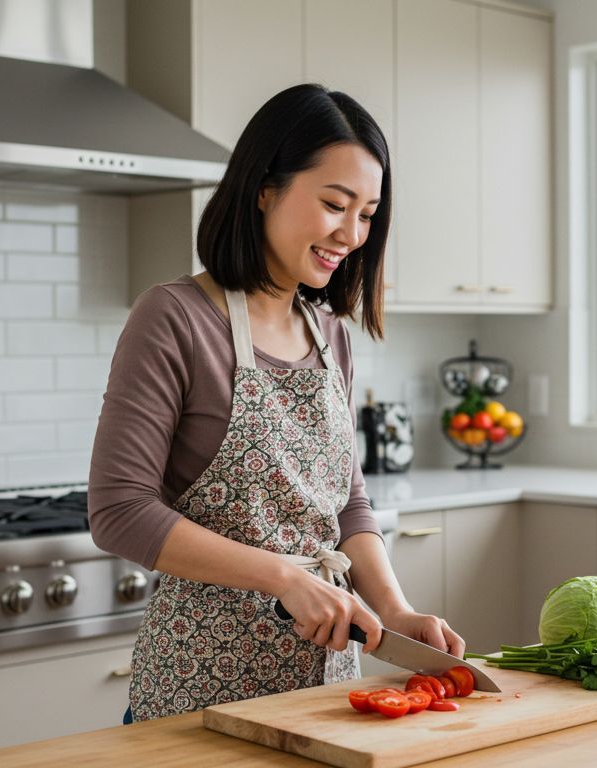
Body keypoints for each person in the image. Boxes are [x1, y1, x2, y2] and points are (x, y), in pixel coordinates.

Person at [88, 84, 464, 721]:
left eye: (368, 214)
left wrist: (394, 609)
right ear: (265, 189)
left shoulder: (331, 334)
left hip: (324, 696)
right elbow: (118, 510)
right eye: (334, 204)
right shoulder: (174, 318)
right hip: (198, 696)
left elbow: (346, 503)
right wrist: (285, 576)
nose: (352, 234)